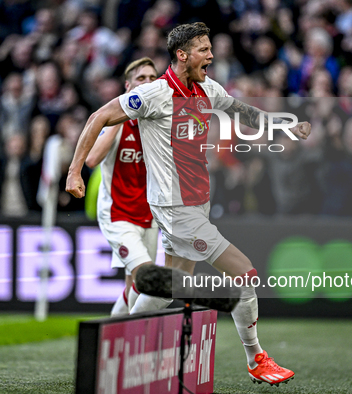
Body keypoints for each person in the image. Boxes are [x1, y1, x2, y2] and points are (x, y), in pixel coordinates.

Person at [66, 22, 311, 386]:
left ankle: (114, 350)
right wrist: (74, 172)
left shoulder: (207, 88)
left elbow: (240, 110)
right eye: (204, 50)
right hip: (176, 211)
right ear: (182, 55)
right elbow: (98, 117)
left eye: (211, 49)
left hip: (196, 207)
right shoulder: (155, 93)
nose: (211, 55)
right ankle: (256, 358)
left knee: (172, 286)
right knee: (243, 273)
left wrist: (283, 127)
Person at [84, 58, 159, 316]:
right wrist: (120, 113)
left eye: (152, 78)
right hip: (118, 214)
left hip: (149, 216)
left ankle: (112, 344)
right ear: (128, 86)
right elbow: (92, 159)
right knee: (147, 276)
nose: (147, 82)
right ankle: (127, 341)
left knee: (135, 286)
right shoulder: (116, 122)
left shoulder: (158, 124)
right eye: (141, 78)